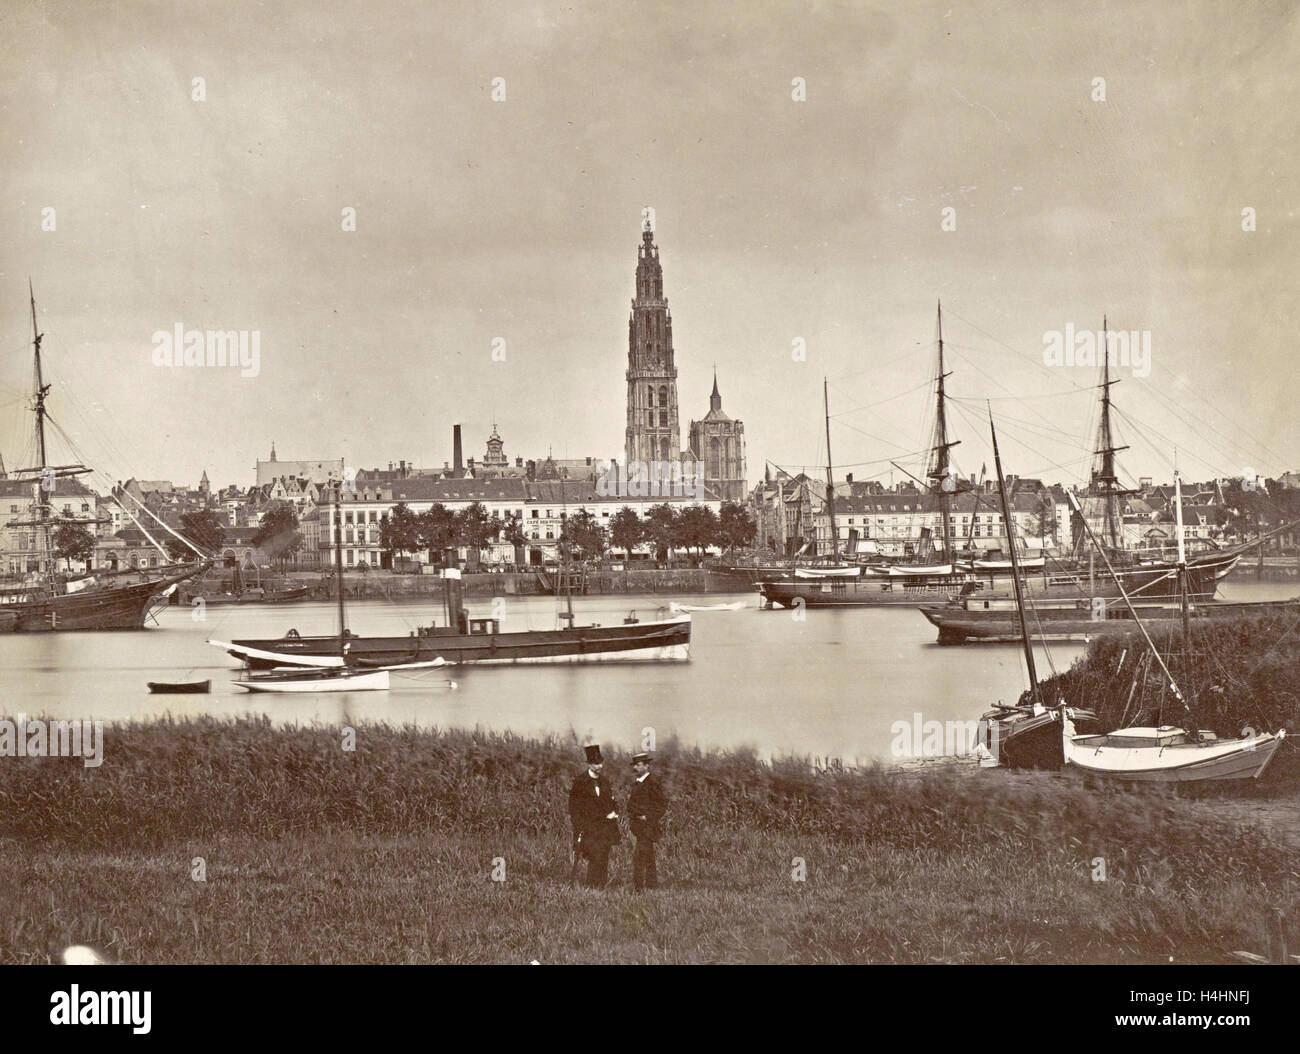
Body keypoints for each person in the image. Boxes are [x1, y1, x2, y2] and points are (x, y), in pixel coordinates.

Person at [568, 744, 620, 888]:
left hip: (605, 827)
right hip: (588, 827)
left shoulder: (605, 782)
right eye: (596, 763)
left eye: (600, 763)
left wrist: (614, 812)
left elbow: (611, 801)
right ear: (589, 764)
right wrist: (579, 827)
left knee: (604, 855)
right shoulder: (580, 782)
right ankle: (592, 886)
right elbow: (574, 808)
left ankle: (600, 886)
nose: (599, 766)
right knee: (594, 855)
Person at [626, 751, 667, 891]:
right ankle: (651, 886)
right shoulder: (637, 783)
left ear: (646, 766)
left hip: (647, 827)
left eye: (638, 765)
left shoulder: (652, 782)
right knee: (648, 856)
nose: (635, 768)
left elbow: (662, 805)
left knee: (639, 857)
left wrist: (647, 816)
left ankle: (638, 889)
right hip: (639, 827)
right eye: (635, 765)